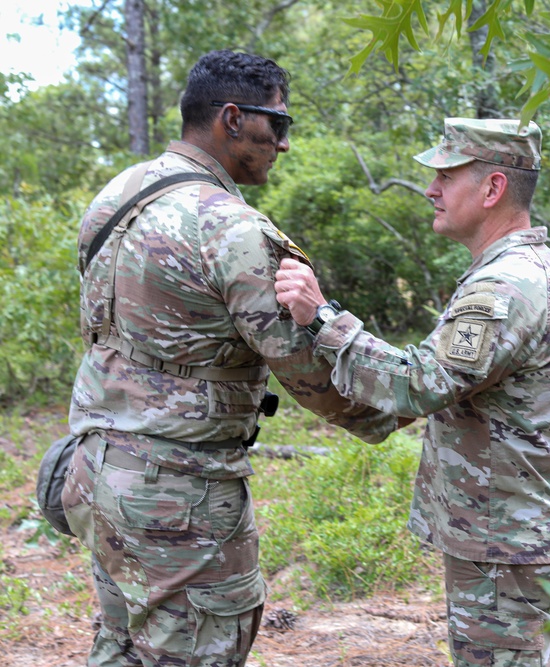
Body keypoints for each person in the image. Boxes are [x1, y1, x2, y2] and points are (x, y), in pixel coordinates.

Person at [62, 50, 396, 666]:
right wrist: (404, 406)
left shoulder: (118, 193)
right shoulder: (232, 228)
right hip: (179, 493)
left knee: (122, 646)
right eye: (280, 125)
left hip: (96, 468)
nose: (284, 144)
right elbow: (305, 370)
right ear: (234, 118)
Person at [273, 117, 550, 667]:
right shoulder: (528, 267)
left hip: (507, 542)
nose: (431, 189)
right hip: (517, 534)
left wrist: (322, 317)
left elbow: (422, 382)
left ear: (492, 189)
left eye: (446, 175)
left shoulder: (506, 283)